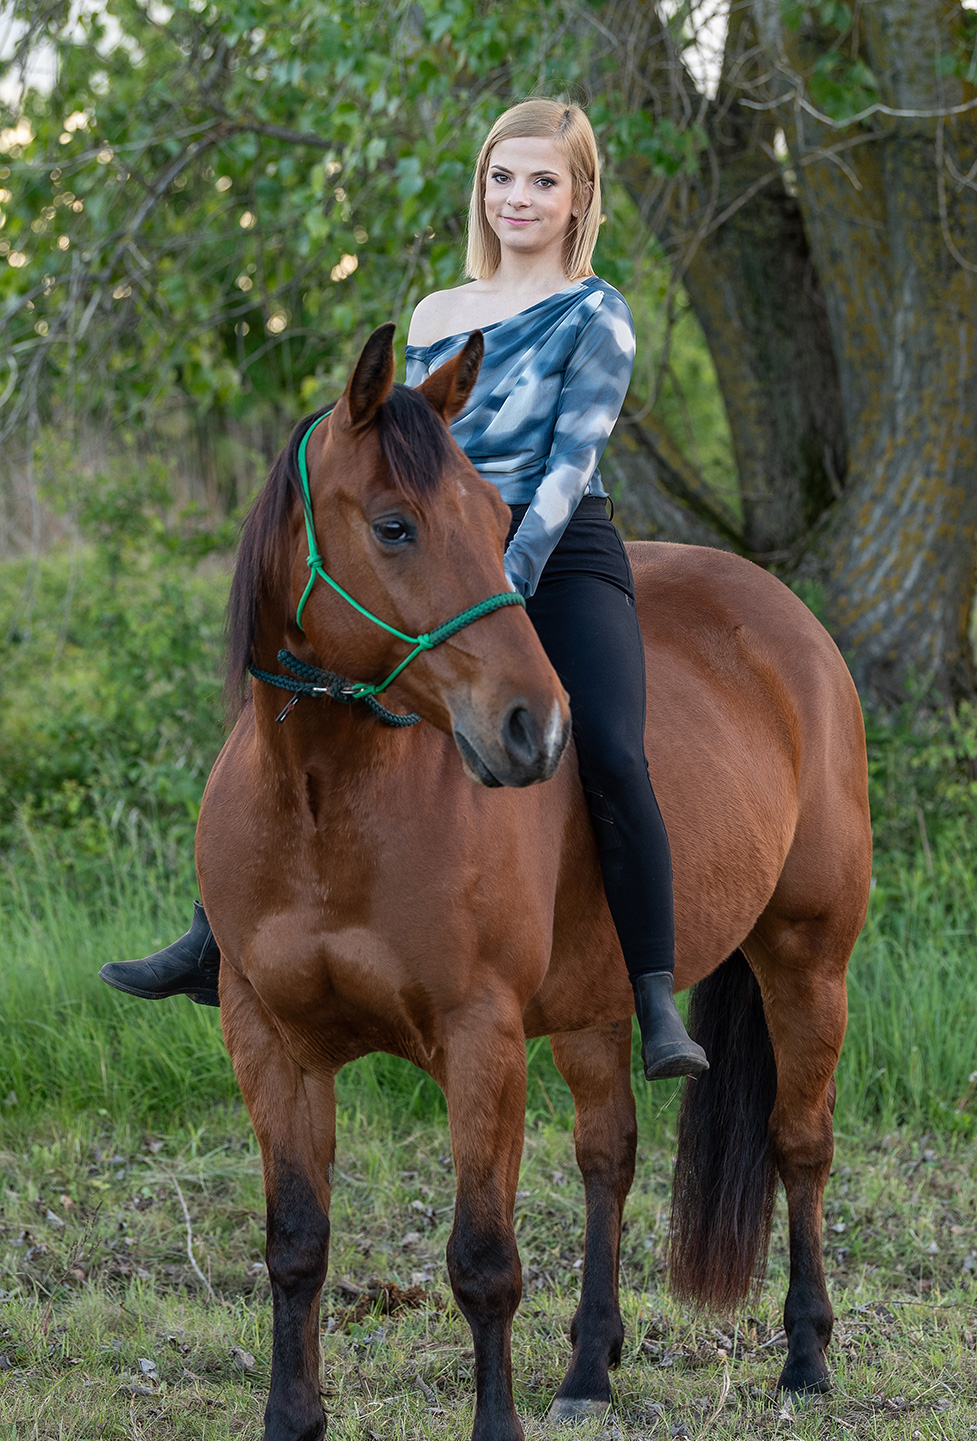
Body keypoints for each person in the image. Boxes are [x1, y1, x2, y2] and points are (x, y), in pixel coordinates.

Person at [99, 98, 708, 1082]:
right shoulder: (439, 314)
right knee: (291, 694)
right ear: (483, 189)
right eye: (501, 177)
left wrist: (497, 576)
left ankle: (652, 989)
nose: (518, 197)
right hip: (437, 546)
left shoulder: (599, 313)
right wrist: (434, 559)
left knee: (609, 740)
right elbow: (419, 451)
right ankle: (217, 932)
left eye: (542, 181)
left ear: (578, 197)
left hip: (551, 549)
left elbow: (567, 462)